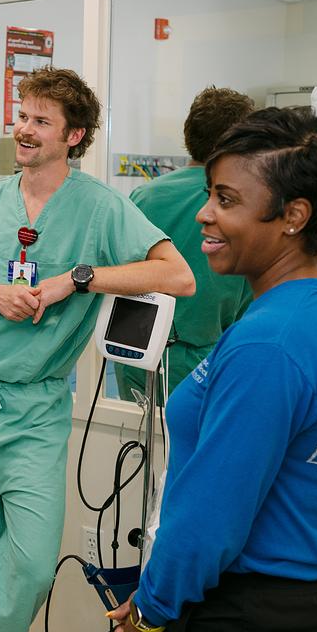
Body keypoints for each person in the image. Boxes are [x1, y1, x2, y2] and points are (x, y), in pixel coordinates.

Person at [0, 67, 196, 632]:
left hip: (35, 411)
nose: (24, 130)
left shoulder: (101, 208)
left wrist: (75, 280)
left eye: (40, 122)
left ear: (73, 136)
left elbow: (176, 276)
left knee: (28, 565)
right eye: (22, 116)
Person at [110, 107, 317, 632]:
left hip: (250, 619)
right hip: (302, 601)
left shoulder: (269, 344)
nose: (204, 215)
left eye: (226, 200)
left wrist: (149, 614)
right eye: (210, 195)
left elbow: (209, 520)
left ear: (293, 216)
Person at [114, 87, 256, 403]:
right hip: (203, 356)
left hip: (138, 351)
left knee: (138, 445)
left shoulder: (146, 196)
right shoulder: (239, 201)